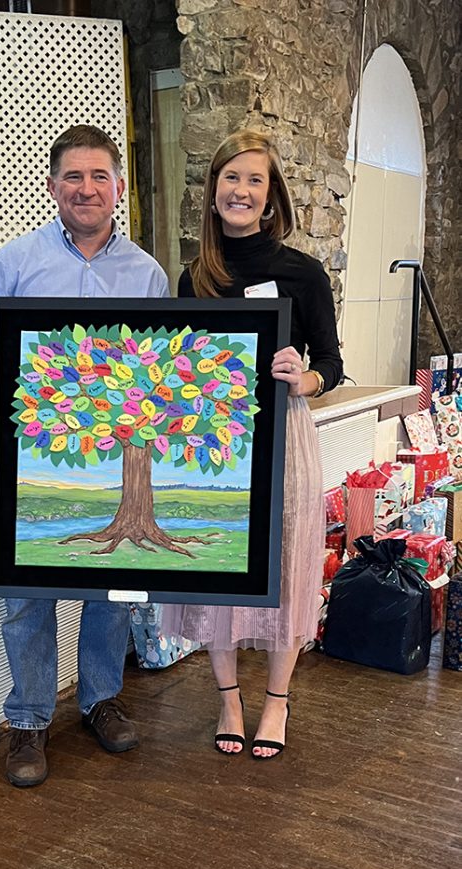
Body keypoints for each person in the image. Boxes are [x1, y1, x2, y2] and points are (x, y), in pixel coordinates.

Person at [0, 124, 170, 787]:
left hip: (118, 460)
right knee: (27, 598)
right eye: (72, 177)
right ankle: (27, 721)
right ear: (52, 187)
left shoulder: (147, 274)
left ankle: (101, 699)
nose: (85, 188)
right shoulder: (14, 262)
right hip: (28, 458)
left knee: (113, 591)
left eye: (97, 176)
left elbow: (160, 370)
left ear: (118, 188)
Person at [163, 129, 343, 759]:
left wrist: (308, 377)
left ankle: (277, 703)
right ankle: (229, 700)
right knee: (218, 565)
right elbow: (178, 365)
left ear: (271, 199)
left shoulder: (303, 273)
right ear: (213, 194)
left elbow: (332, 363)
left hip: (284, 435)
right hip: (216, 442)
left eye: (254, 180)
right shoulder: (194, 277)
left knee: (288, 564)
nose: (241, 190)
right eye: (230, 178)